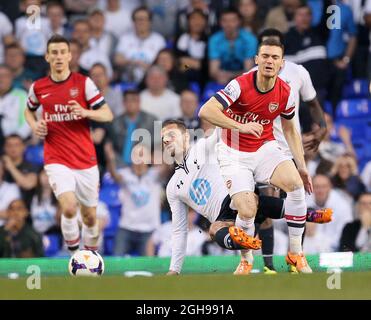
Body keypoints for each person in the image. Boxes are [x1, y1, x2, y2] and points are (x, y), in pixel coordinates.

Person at [198, 38, 314, 274]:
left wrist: (301, 166)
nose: (269, 61)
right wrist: (240, 127)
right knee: (248, 210)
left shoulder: (285, 91)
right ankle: (247, 259)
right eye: (265, 56)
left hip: (264, 148)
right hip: (233, 153)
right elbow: (206, 111)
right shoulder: (239, 85)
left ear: (281, 63)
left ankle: (295, 254)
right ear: (256, 60)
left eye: (274, 57)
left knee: (295, 185)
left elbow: (290, 128)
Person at [162, 120, 332, 275]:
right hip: (226, 218)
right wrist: (174, 270)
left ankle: (302, 217)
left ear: (185, 137)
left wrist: (234, 110)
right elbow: (179, 230)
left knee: (248, 202)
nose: (166, 141)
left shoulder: (201, 148)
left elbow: (221, 130)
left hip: (237, 196)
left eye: (171, 135)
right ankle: (299, 216)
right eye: (163, 138)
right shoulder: (172, 188)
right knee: (214, 229)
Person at [24, 34, 113, 254]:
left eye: (63, 52)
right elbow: (28, 110)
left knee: (90, 216)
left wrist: (84, 112)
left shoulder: (83, 83)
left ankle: (91, 255)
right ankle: (75, 257)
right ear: (47, 56)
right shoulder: (38, 87)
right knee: (69, 207)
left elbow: (107, 114)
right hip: (56, 158)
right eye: (54, 53)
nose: (59, 57)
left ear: (70, 55)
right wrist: (34, 125)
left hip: (85, 159)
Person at [249, 28, 327, 272]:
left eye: (274, 50)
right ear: (259, 54)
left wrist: (322, 127)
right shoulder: (249, 78)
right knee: (268, 203)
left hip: (292, 148)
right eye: (265, 49)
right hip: (263, 148)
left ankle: (295, 259)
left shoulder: (298, 72)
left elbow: (313, 103)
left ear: (282, 53)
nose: (269, 56)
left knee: (297, 199)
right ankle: (269, 266)